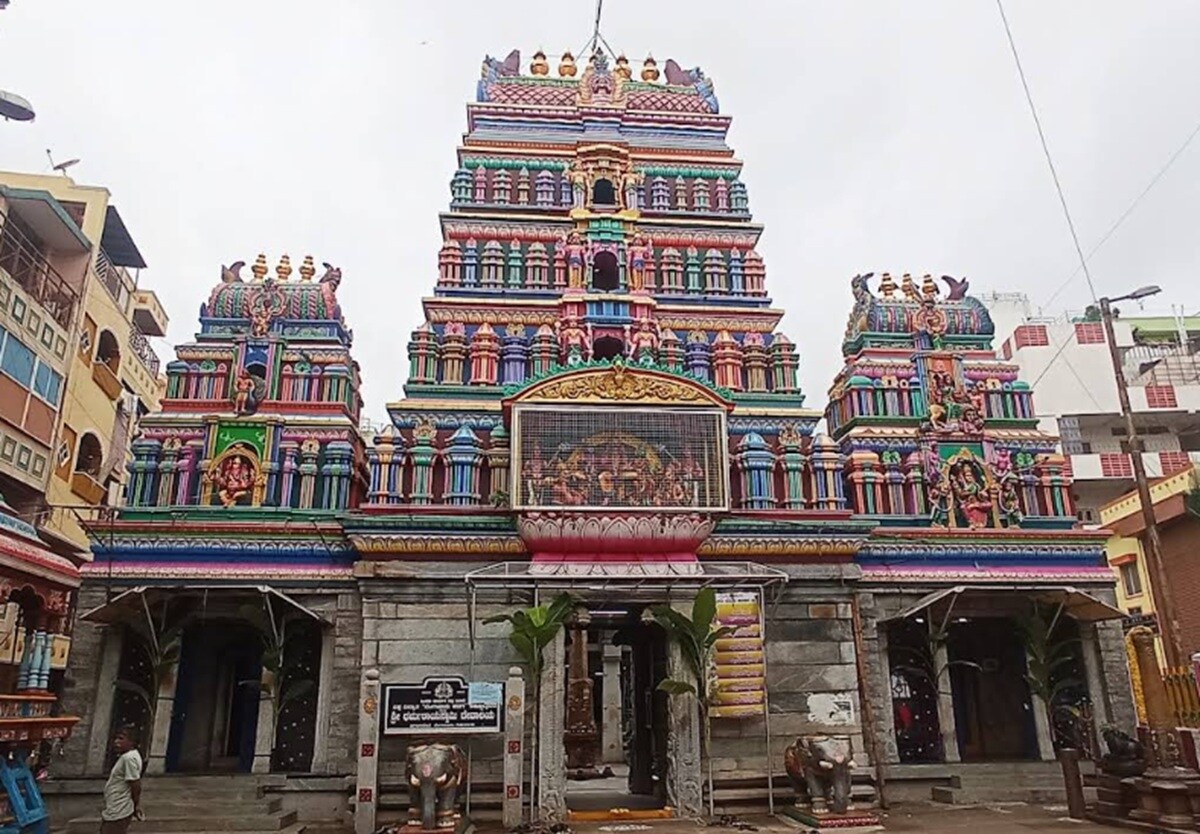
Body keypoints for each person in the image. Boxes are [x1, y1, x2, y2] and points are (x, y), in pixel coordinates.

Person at [101, 726, 143, 834]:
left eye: (121, 738)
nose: (116, 742)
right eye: (116, 738)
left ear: (131, 741)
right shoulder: (128, 757)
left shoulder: (128, 758)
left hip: (119, 809)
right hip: (115, 807)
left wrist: (136, 805)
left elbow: (135, 784)